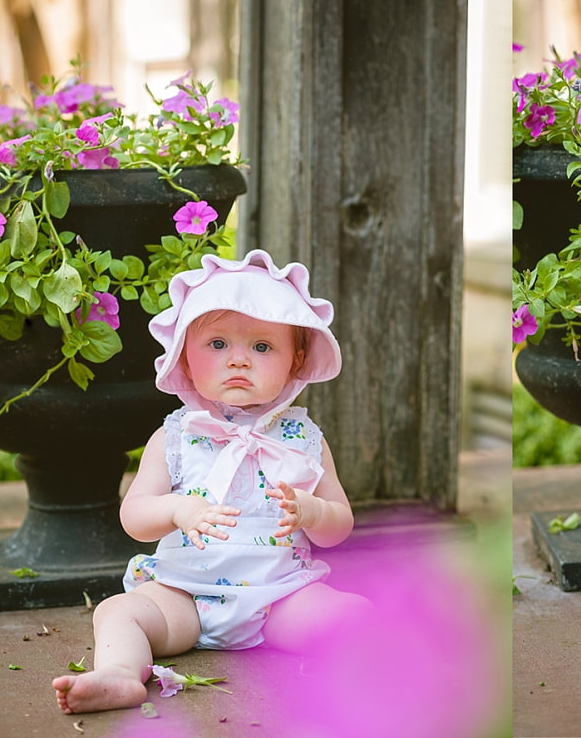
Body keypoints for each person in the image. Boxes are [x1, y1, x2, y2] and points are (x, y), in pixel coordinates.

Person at [53, 249, 372, 714]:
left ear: (295, 359)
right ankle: (121, 674)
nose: (239, 361)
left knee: (355, 614)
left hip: (279, 597)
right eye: (218, 344)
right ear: (184, 355)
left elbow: (339, 524)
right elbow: (134, 517)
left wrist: (313, 511)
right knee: (117, 611)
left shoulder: (303, 438)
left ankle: (367, 668)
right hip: (184, 595)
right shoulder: (177, 436)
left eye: (262, 347)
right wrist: (176, 509)